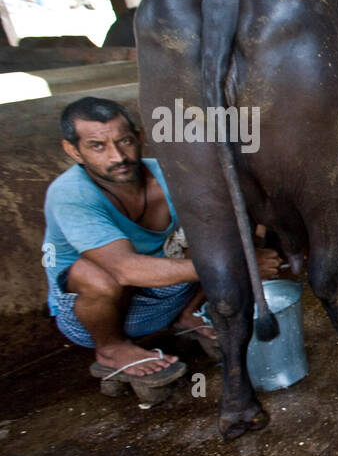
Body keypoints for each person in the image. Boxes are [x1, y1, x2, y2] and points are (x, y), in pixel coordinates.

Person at [42, 97, 279, 388]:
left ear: (139, 137)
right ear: (73, 150)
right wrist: (237, 266)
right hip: (96, 317)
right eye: (97, 146)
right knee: (94, 274)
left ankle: (187, 315)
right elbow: (125, 270)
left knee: (216, 234)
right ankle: (111, 348)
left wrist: (250, 239)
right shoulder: (70, 194)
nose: (118, 157)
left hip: (169, 294)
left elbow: (228, 221)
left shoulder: (169, 174)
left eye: (125, 141)